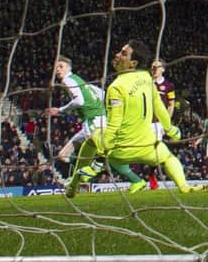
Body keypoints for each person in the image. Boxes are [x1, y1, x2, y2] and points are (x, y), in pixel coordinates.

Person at [65, 40, 206, 198]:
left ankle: (74, 184)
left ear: (133, 63)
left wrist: (103, 151)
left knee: (91, 140)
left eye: (123, 53)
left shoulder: (116, 87)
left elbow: (114, 124)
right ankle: (184, 186)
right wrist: (170, 129)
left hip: (121, 150)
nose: (117, 55)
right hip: (147, 146)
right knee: (168, 157)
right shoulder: (147, 78)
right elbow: (159, 108)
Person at [46, 56, 144, 191]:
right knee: (63, 155)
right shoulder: (82, 82)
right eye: (56, 67)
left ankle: (135, 180)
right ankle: (78, 178)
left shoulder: (68, 80)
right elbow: (103, 94)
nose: (58, 69)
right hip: (97, 120)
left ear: (69, 68)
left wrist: (60, 110)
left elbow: (79, 101)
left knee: (107, 154)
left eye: (61, 66)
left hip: (93, 121)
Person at [148, 59, 176, 190]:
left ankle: (151, 176)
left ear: (163, 69)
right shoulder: (146, 83)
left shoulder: (168, 86)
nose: (154, 69)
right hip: (144, 121)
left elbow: (171, 104)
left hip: (158, 123)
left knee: (155, 150)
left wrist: (167, 122)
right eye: (153, 67)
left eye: (157, 67)